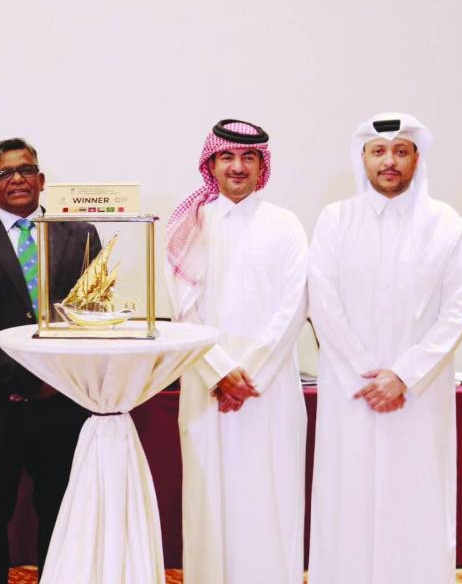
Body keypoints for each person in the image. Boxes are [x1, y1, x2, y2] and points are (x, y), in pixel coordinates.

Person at [306, 113, 462, 584]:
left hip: (417, 394)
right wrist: (367, 373)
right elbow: (323, 301)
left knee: (416, 493)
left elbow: (456, 311)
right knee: (349, 493)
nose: (389, 161)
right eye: (379, 151)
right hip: (352, 390)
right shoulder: (335, 220)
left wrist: (403, 375)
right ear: (362, 158)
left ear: (417, 159)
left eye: (401, 151)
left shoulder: (446, 224)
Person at [0, 138, 100, 583]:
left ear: (42, 180)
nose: (16, 179)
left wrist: (55, 379)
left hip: (64, 408)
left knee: (62, 516)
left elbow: (92, 314)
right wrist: (29, 381)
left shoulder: (82, 236)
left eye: (26, 170)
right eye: (4, 174)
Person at [166, 119, 308, 584]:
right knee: (211, 500)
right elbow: (183, 312)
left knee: (270, 494)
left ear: (262, 166)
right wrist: (220, 373)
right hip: (207, 388)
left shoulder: (285, 225)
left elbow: (294, 306)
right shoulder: (189, 226)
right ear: (211, 163)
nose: (238, 167)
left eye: (249, 158)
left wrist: (250, 376)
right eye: (227, 157)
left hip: (269, 393)